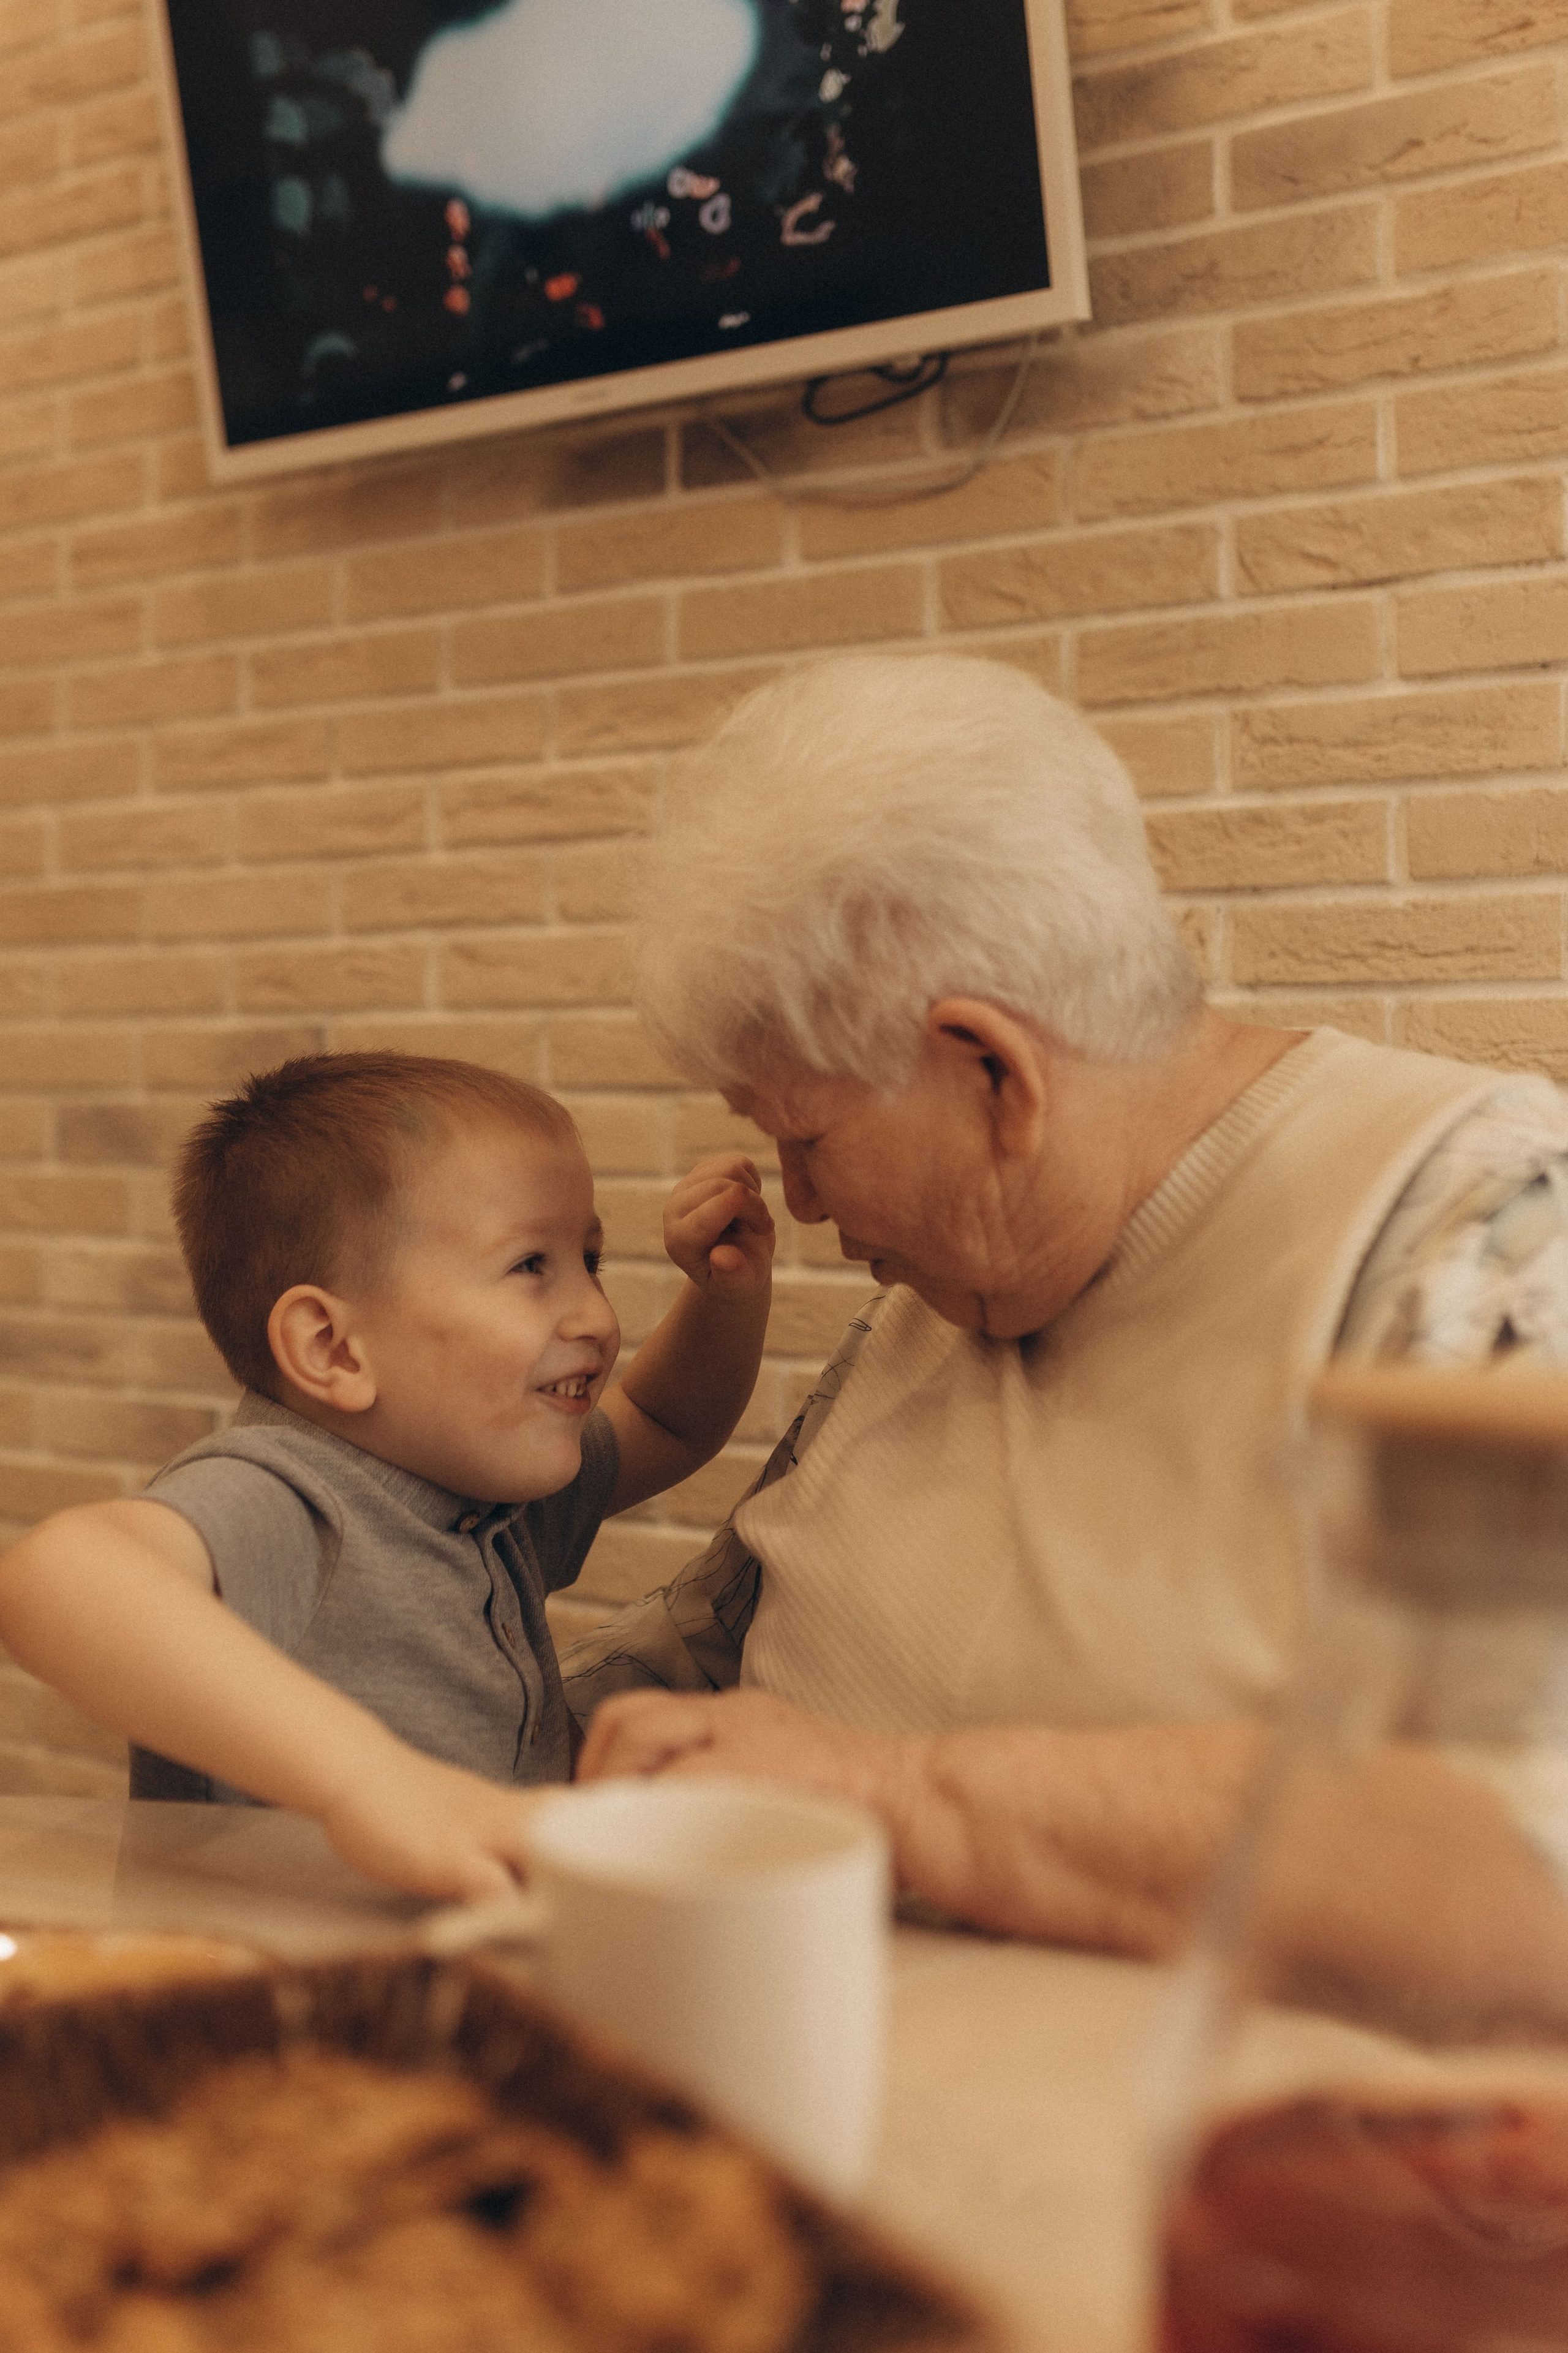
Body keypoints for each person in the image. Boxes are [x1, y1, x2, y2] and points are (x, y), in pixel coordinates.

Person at [565, 652, 1568, 1956]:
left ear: (992, 1073)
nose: (799, 1202)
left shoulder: (1489, 1241)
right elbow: (711, 1658)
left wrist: (905, 1799)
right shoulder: (955, 1273)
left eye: (803, 1134)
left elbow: (1521, 1838)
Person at [0, 1052, 774, 1900]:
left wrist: (725, 1299)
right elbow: (57, 1574)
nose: (595, 1314)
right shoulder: (290, 1495)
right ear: (333, 1347)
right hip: (252, 1990)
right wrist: (366, 1780)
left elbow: (669, 1421)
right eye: (530, 1267)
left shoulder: (487, 1485)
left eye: (589, 1257)